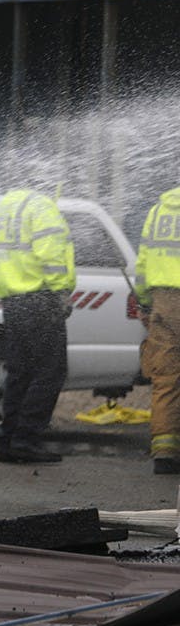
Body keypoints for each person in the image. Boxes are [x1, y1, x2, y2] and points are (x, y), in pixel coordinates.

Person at [0, 187, 75, 464]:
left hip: (13, 300)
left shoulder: (7, 205)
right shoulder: (42, 207)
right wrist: (61, 293)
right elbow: (51, 256)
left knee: (20, 372)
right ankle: (26, 439)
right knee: (50, 371)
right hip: (41, 298)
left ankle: (10, 440)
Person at [135, 186, 180, 474]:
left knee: (166, 377)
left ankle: (164, 451)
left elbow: (143, 263)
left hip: (164, 301)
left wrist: (145, 302)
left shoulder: (159, 210)